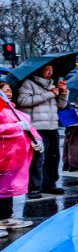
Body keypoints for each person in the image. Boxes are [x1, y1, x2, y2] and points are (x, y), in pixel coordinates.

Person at [16, 65, 68, 198]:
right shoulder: (28, 83)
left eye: (52, 69)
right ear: (39, 70)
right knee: (37, 159)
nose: (51, 72)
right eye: (48, 69)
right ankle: (34, 186)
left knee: (53, 158)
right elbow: (23, 101)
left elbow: (61, 105)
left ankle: (49, 184)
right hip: (36, 128)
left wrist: (63, 92)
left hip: (52, 127)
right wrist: (50, 93)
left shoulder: (52, 84)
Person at [0, 80, 41, 233]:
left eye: (10, 90)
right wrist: (15, 127)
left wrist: (37, 140)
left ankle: (6, 217)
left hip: (13, 156)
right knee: (2, 188)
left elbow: (28, 127)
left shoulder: (11, 109)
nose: (9, 93)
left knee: (6, 188)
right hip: (3, 156)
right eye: (5, 90)